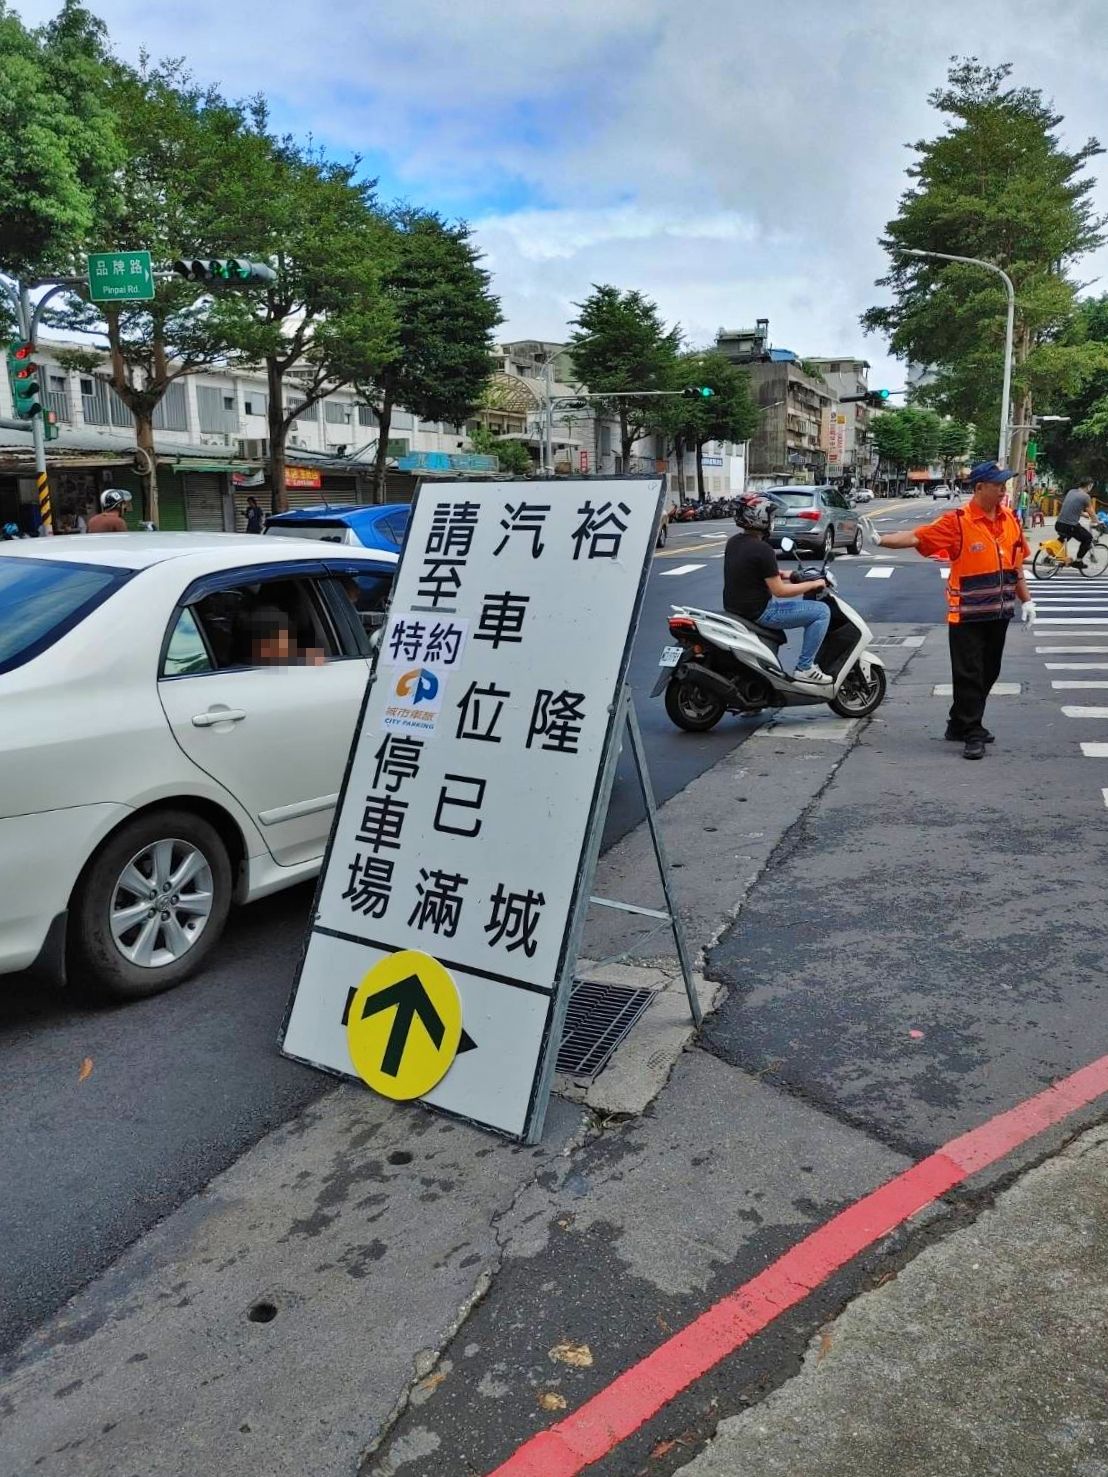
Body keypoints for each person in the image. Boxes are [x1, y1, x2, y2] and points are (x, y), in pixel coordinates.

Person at [864, 461, 1033, 760]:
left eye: (1003, 484)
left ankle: (958, 722)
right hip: (967, 613)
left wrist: (1027, 600)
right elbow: (919, 537)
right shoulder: (958, 521)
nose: (1003, 489)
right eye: (998, 485)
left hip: (1000, 612)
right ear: (979, 487)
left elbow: (1017, 564)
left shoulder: (1009, 520)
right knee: (969, 673)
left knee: (989, 672)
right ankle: (972, 731)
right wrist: (882, 541)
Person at [723, 493, 833, 685]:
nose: (773, 520)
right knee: (822, 612)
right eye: (771, 516)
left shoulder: (734, 542)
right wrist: (814, 584)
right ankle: (805, 668)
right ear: (759, 517)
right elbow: (780, 591)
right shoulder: (762, 549)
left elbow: (753, 571)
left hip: (736, 608)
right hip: (762, 612)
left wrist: (788, 574)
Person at [1055, 478, 1096, 567]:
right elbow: (1091, 511)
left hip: (1059, 524)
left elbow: (1071, 506)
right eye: (1091, 486)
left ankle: (1053, 555)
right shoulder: (1085, 496)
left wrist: (1082, 514)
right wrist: (1097, 522)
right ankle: (1078, 561)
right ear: (1089, 486)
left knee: (1065, 537)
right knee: (1088, 538)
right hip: (1069, 526)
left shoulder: (1071, 492)